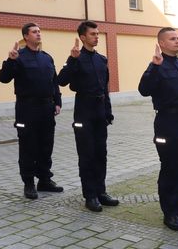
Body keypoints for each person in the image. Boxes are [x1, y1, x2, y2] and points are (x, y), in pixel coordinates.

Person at [138, 27, 178, 231]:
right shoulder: (157, 65)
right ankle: (170, 212)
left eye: (177, 38)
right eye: (172, 39)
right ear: (161, 43)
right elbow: (144, 90)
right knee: (170, 168)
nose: (177, 41)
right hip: (168, 124)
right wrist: (154, 67)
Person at [0, 23, 63, 199]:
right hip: (27, 108)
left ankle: (44, 180)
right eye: (34, 32)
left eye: (39, 31)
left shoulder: (47, 58)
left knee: (46, 145)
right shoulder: (18, 57)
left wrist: (57, 102)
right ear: (26, 36)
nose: (38, 34)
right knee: (28, 146)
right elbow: (3, 78)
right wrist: (10, 61)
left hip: (47, 108)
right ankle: (28, 183)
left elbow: (54, 82)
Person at [57, 21, 118, 212]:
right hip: (84, 110)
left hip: (100, 110)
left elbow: (105, 89)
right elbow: (61, 80)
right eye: (92, 34)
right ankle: (90, 195)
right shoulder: (76, 58)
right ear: (83, 37)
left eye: (97, 34)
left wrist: (108, 112)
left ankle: (101, 191)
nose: (97, 36)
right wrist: (72, 59)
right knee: (87, 155)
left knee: (101, 153)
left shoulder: (102, 60)